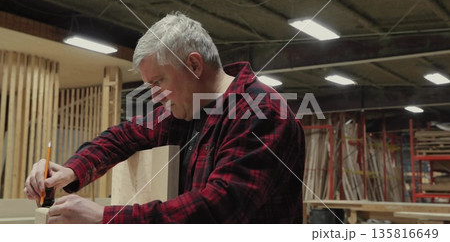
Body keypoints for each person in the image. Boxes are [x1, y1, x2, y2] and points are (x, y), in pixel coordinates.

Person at [24, 12, 305, 224]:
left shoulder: (262, 111)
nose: (156, 96)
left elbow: (218, 208)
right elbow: (121, 136)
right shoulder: (183, 110)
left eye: (159, 81)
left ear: (194, 64)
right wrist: (71, 170)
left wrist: (106, 217)